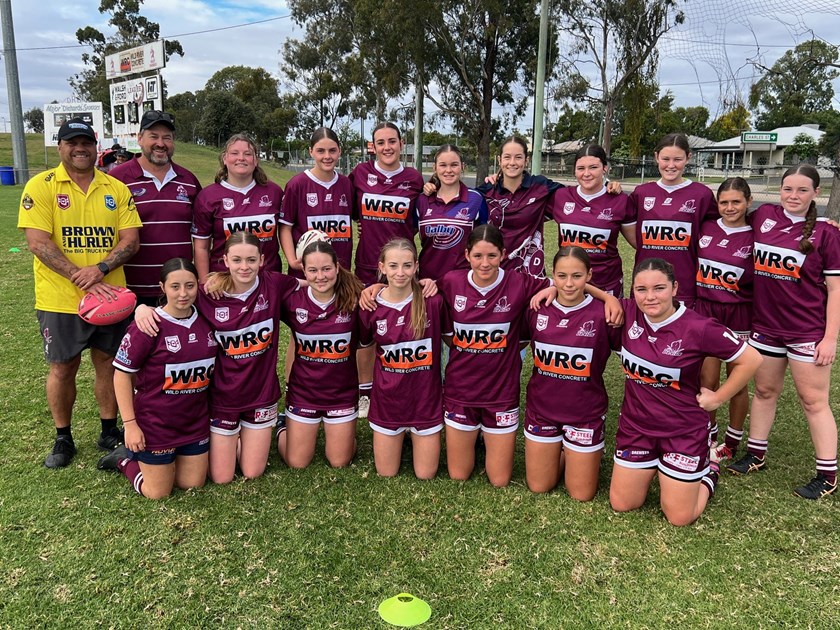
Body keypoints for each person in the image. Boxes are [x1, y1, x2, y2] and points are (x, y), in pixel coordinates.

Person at [17, 117, 141, 468]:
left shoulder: (115, 188)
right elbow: (37, 243)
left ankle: (107, 429)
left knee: (109, 364)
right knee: (62, 367)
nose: (80, 148)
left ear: (96, 146)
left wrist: (99, 270)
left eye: (86, 142)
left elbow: (130, 241)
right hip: (60, 299)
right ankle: (63, 437)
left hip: (111, 298)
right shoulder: (41, 186)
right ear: (60, 147)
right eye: (72, 142)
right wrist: (78, 275)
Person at [135, 232, 301, 484]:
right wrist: (142, 309)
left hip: (261, 395)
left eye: (250, 260)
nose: (244, 267)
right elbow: (176, 301)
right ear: (225, 261)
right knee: (221, 478)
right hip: (222, 398)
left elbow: (313, 282)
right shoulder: (206, 293)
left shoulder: (274, 283)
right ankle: (231, 440)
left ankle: (273, 430)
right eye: (237, 260)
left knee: (252, 473)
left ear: (262, 260)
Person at [610, 258, 762, 526]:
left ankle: (709, 471)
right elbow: (579, 291)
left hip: (683, 431)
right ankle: (663, 470)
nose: (650, 297)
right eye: (641, 289)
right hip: (637, 429)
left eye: (659, 288)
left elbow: (751, 359)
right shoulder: (628, 312)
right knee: (622, 504)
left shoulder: (699, 327)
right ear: (632, 292)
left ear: (675, 288)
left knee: (680, 517)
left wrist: (718, 397)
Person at [728, 165, 840, 499]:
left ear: (815, 193)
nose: (794, 196)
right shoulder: (763, 216)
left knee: (813, 400)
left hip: (806, 331)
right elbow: (725, 210)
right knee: (764, 391)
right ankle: (756, 454)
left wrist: (830, 337)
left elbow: (835, 290)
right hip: (766, 327)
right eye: (788, 189)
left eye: (802, 190)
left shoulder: (827, 233)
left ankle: (827, 474)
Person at [438, 224, 554, 487]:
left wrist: (554, 288)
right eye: (478, 256)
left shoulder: (518, 281)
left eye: (492, 256)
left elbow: (568, 283)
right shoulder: (452, 281)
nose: (485, 263)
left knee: (500, 480)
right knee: (458, 475)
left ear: (503, 254)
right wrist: (375, 288)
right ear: (467, 255)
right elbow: (417, 289)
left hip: (501, 395)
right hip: (460, 392)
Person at [96, 259, 216, 499]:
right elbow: (121, 375)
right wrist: (130, 425)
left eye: (190, 286)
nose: (183, 294)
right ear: (162, 287)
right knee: (157, 493)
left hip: (195, 422)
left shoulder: (207, 318)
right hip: (156, 425)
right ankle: (124, 461)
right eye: (175, 287)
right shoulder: (148, 325)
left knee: (191, 484)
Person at [523, 247, 620, 500]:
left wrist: (609, 297)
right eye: (561, 276)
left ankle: (573, 449)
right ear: (552, 276)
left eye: (577, 276)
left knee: (581, 494)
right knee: (539, 486)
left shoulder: (604, 313)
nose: (568, 283)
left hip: (584, 415)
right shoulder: (537, 307)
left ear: (589, 275)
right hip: (542, 411)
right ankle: (562, 449)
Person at [350, 122, 424, 419]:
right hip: (368, 265)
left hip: (402, 267)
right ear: (373, 146)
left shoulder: (415, 179)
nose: (387, 147)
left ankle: (406, 386)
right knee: (365, 332)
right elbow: (353, 211)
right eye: (381, 142)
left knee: (403, 329)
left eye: (392, 141)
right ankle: (365, 392)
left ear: (402, 143)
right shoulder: (359, 174)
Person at [358, 238, 446, 479]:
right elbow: (363, 346)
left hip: (425, 402)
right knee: (386, 473)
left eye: (407, 265)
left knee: (426, 474)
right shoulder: (370, 305)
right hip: (388, 403)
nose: (400, 272)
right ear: (382, 267)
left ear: (416, 266)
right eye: (393, 266)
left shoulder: (433, 301)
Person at [282, 240, 364, 469]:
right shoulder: (291, 300)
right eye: (313, 270)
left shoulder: (356, 299)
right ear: (303, 271)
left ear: (337, 268)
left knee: (339, 461)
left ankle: (343, 438)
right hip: (303, 393)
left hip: (341, 395)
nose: (320, 276)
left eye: (326, 269)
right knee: (297, 463)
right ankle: (283, 428)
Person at [110, 110, 202, 306]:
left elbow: (202, 236)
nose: (161, 143)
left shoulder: (189, 181)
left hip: (179, 291)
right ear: (140, 138)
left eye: (167, 138)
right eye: (154, 136)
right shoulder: (116, 179)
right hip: (130, 289)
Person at [694, 178, 755, 462]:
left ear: (748, 202)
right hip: (706, 311)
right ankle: (710, 435)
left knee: (737, 381)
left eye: (736, 202)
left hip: (738, 313)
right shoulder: (705, 227)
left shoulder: (756, 235)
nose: (730, 208)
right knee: (707, 378)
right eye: (724, 202)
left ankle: (733, 439)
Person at [628, 133, 718, 308]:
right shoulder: (642, 193)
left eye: (677, 159)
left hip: (684, 283)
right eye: (665, 159)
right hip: (646, 282)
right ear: (656, 157)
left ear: (688, 158)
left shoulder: (701, 194)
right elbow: (627, 226)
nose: (671, 165)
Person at [192, 134, 284, 281]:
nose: (241, 158)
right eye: (234, 153)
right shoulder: (207, 197)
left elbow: (286, 231)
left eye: (247, 154)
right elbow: (201, 247)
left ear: (256, 160)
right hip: (224, 281)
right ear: (224, 159)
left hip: (268, 279)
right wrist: (204, 282)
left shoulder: (274, 192)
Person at [548, 144, 636, 296]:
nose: (586, 173)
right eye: (581, 168)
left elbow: (638, 242)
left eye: (593, 167)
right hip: (571, 285)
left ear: (605, 168)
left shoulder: (620, 200)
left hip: (606, 282)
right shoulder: (561, 196)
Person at [279, 127, 354, 277]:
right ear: (311, 151)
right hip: (308, 274)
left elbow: (358, 219)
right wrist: (292, 260)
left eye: (332, 150)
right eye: (320, 151)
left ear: (339, 151)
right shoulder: (297, 184)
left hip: (340, 271)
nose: (327, 156)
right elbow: (285, 227)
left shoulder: (347, 184)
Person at [416, 144, 488, 280]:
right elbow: (406, 232)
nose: (448, 170)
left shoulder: (476, 199)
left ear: (462, 166)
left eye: (454, 165)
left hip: (462, 281)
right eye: (443, 165)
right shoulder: (421, 200)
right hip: (428, 282)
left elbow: (486, 239)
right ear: (435, 168)